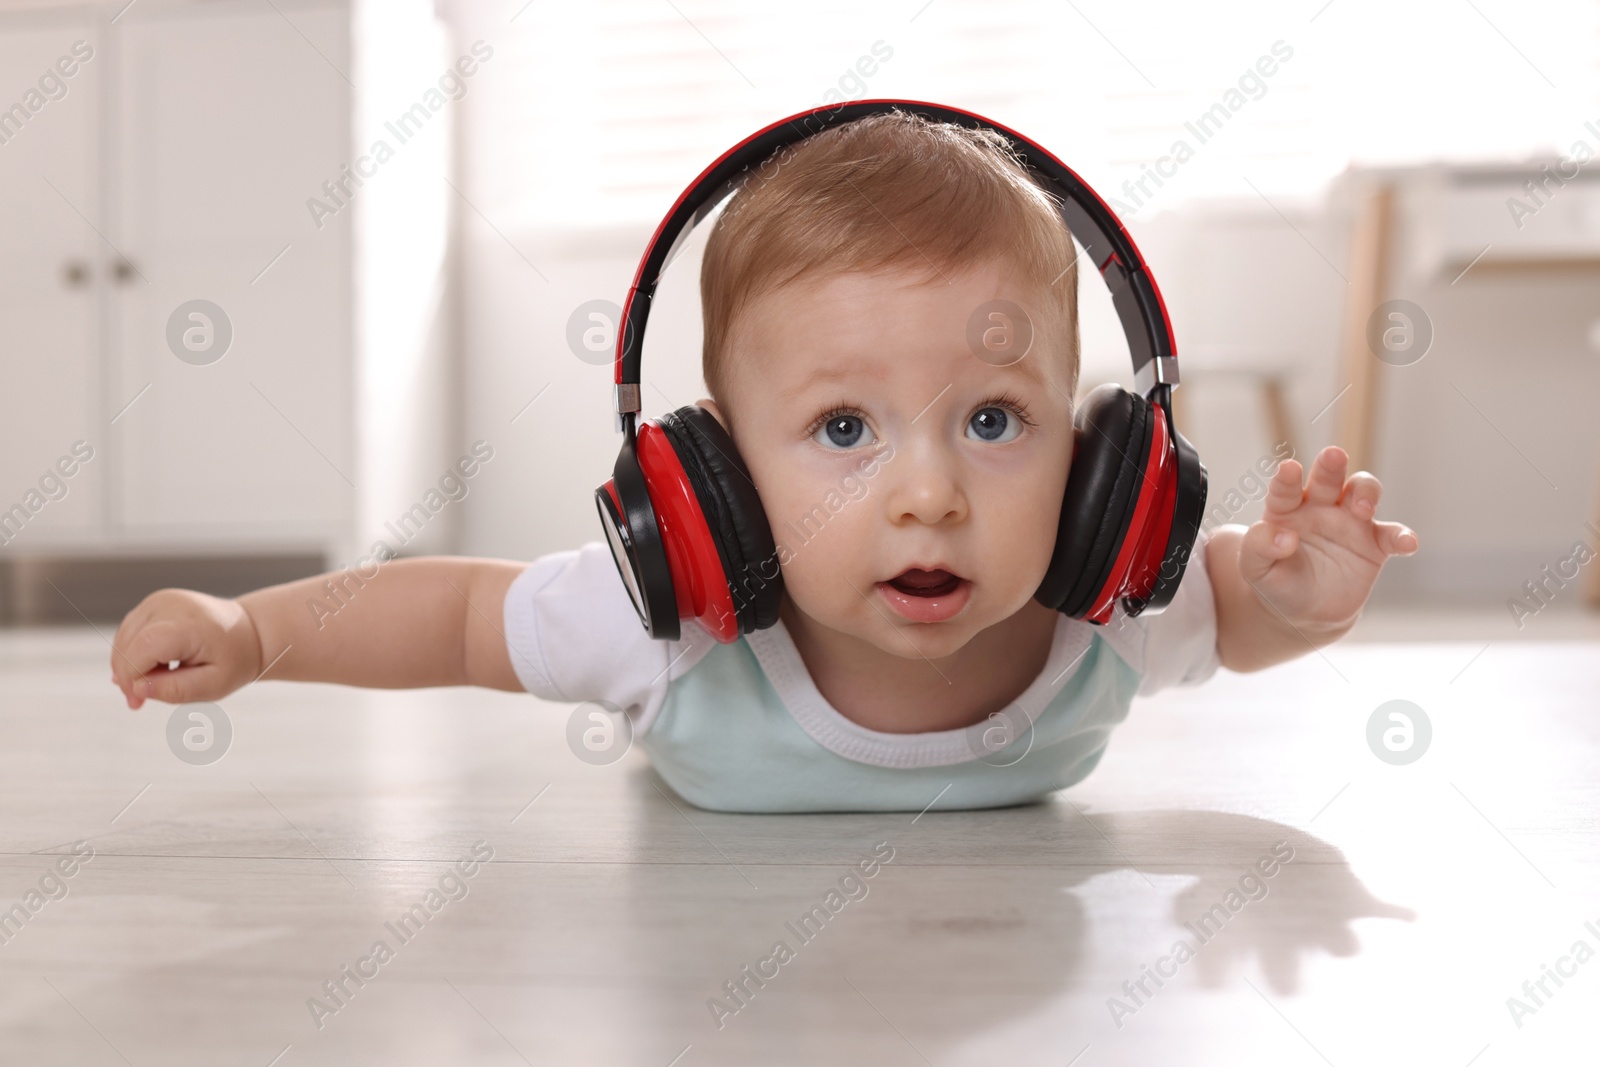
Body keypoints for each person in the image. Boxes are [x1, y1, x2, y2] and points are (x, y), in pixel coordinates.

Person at [109, 111, 1418, 813]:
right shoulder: (666, 624)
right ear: (711, 477)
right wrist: (257, 630)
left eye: (995, 420)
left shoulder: (1102, 608)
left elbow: (1234, 609)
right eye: (844, 430)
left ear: (1098, 473)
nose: (929, 493)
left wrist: (1303, 598)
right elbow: (450, 614)